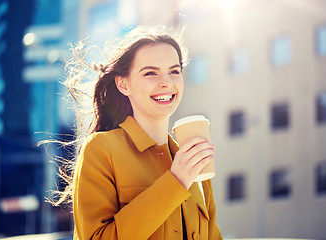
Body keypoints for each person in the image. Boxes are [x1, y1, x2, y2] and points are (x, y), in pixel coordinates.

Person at [63, 25, 222, 240]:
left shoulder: (192, 161)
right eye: (150, 73)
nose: (167, 82)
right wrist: (176, 181)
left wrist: (185, 174)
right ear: (123, 84)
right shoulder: (101, 150)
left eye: (174, 71)